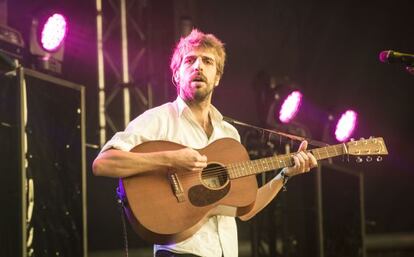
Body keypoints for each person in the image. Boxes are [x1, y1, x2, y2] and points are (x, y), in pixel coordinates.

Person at [92, 29, 318, 257]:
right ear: (177, 74)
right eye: (190, 60)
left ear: (217, 77)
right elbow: (103, 163)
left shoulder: (229, 134)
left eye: (207, 61)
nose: (198, 66)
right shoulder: (158, 119)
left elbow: (245, 209)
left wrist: (284, 176)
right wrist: (170, 159)